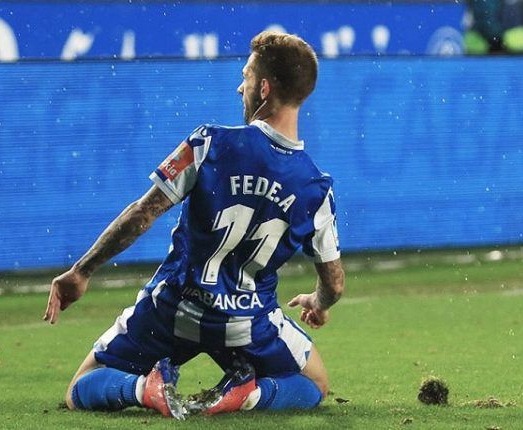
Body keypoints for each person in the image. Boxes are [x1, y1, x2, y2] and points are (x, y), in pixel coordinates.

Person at [43, 31, 345, 420]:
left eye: (247, 76)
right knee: (315, 383)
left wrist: (81, 271)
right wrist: (317, 304)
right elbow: (334, 283)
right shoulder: (315, 188)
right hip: (247, 324)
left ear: (265, 88)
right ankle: (249, 393)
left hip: (173, 308)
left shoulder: (210, 144)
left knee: (80, 388)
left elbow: (142, 213)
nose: (241, 88)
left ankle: (143, 388)